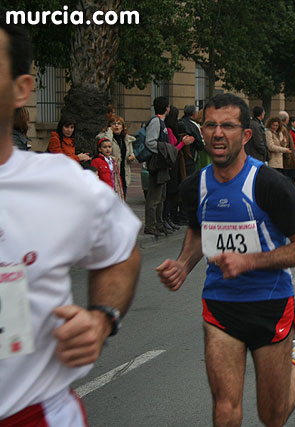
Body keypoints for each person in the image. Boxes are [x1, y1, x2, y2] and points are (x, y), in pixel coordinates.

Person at [0, 18, 141, 425]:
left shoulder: (58, 184)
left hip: (32, 414)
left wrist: (101, 317)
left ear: (22, 89)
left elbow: (121, 251)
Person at [156, 93, 295, 426]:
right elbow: (199, 232)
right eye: (210, 125)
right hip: (220, 306)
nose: (217, 133)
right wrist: (182, 265)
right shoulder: (194, 186)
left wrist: (249, 261)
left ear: (245, 135)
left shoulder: (270, 185)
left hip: (270, 305)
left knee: (272, 415)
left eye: (227, 126)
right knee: (225, 409)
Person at [143, 96, 172, 236]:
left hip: (162, 164)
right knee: (154, 196)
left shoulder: (161, 122)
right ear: (167, 108)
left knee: (161, 196)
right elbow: (150, 142)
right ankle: (150, 225)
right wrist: (164, 151)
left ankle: (159, 224)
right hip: (157, 163)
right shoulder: (156, 122)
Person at [96, 114, 136, 199]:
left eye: (119, 124)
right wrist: (109, 132)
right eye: (113, 124)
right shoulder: (104, 136)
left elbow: (129, 156)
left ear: (123, 127)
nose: (116, 126)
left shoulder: (127, 139)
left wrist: (131, 157)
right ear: (109, 126)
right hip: (110, 174)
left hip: (123, 175)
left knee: (122, 201)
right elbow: (106, 144)